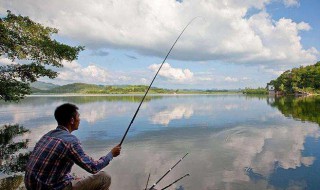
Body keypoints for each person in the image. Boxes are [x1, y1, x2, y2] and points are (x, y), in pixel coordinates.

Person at [24, 103, 121, 190]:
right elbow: (93, 167)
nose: (80, 119)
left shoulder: (47, 135)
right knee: (104, 177)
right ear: (72, 120)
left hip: (32, 186)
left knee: (76, 177)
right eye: (78, 116)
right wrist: (111, 154)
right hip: (52, 188)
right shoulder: (70, 141)